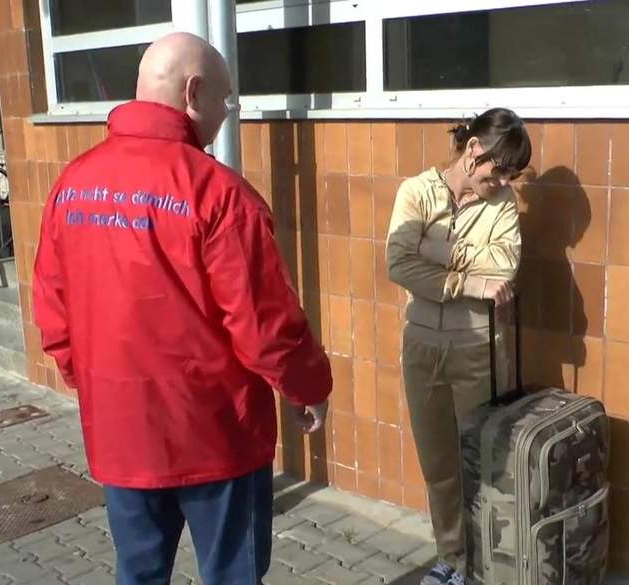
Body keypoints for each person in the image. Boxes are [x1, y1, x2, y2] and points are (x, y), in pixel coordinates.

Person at [32, 32, 332, 585]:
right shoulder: (220, 194)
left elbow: (53, 309)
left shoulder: (72, 184)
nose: (227, 111)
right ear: (193, 93)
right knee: (232, 575)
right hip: (218, 438)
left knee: (139, 573)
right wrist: (307, 385)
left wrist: (92, 382)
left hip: (122, 434)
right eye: (224, 97)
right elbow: (264, 326)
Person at [386, 108, 531, 585]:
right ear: (473, 150)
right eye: (500, 168)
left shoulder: (502, 204)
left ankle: (486, 567)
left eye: (512, 174)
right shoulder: (416, 192)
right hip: (422, 348)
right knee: (439, 466)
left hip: (478, 351)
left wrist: (438, 249)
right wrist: (467, 282)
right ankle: (453, 557)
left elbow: (504, 267)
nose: (504, 181)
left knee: (484, 468)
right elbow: (398, 265)